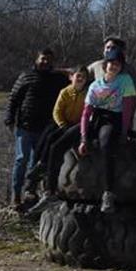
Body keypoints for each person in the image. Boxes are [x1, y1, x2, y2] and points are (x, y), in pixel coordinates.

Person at [5, 49, 69, 207]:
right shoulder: (25, 76)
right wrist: (9, 118)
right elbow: (14, 98)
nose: (45, 62)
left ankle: (30, 194)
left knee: (37, 163)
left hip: (45, 129)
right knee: (21, 160)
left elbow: (76, 77)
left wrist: (62, 70)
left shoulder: (57, 79)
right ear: (36, 59)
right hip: (25, 126)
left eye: (49, 59)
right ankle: (16, 195)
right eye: (43, 59)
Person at [79, 48, 136, 213]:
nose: (114, 66)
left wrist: (125, 131)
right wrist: (83, 138)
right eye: (111, 63)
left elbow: (127, 108)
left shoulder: (125, 81)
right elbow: (86, 113)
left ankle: (108, 193)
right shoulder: (95, 85)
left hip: (113, 118)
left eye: (118, 64)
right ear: (105, 65)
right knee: (61, 138)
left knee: (105, 144)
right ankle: (47, 188)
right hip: (95, 118)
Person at [24, 65, 89, 213]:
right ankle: (41, 165)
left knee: (57, 145)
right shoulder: (65, 92)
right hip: (63, 122)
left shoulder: (87, 94)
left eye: (83, 77)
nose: (80, 79)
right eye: (77, 76)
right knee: (49, 136)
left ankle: (47, 180)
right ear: (71, 77)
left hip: (78, 125)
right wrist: (62, 125)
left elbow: (86, 112)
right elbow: (57, 111)